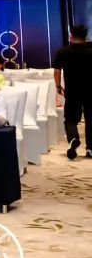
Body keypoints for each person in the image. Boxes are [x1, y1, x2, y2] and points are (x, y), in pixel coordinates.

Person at [54, 24, 92, 159]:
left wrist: (58, 86)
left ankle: (73, 139)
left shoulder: (63, 52)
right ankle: (90, 149)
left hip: (72, 91)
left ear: (71, 36)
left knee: (70, 120)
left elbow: (57, 71)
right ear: (85, 37)